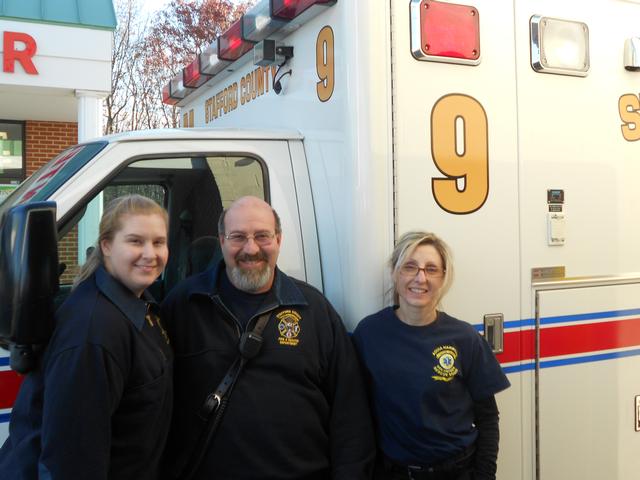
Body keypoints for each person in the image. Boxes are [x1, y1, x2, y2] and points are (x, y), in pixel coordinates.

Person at [161, 195, 375, 480]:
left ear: (279, 239)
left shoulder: (313, 309)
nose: (251, 249)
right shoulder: (184, 304)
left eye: (262, 236)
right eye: (238, 237)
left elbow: (350, 414)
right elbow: (154, 405)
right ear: (221, 240)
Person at [0, 194, 172, 480]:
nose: (150, 254)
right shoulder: (94, 331)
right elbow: (70, 462)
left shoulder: (137, 304)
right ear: (106, 245)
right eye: (135, 241)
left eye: (158, 242)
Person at [353, 231, 510, 480]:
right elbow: (355, 413)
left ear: (443, 277)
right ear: (394, 272)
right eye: (410, 267)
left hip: (458, 471)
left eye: (431, 269)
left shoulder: (464, 337)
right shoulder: (368, 334)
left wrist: (485, 475)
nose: (420, 277)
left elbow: (488, 418)